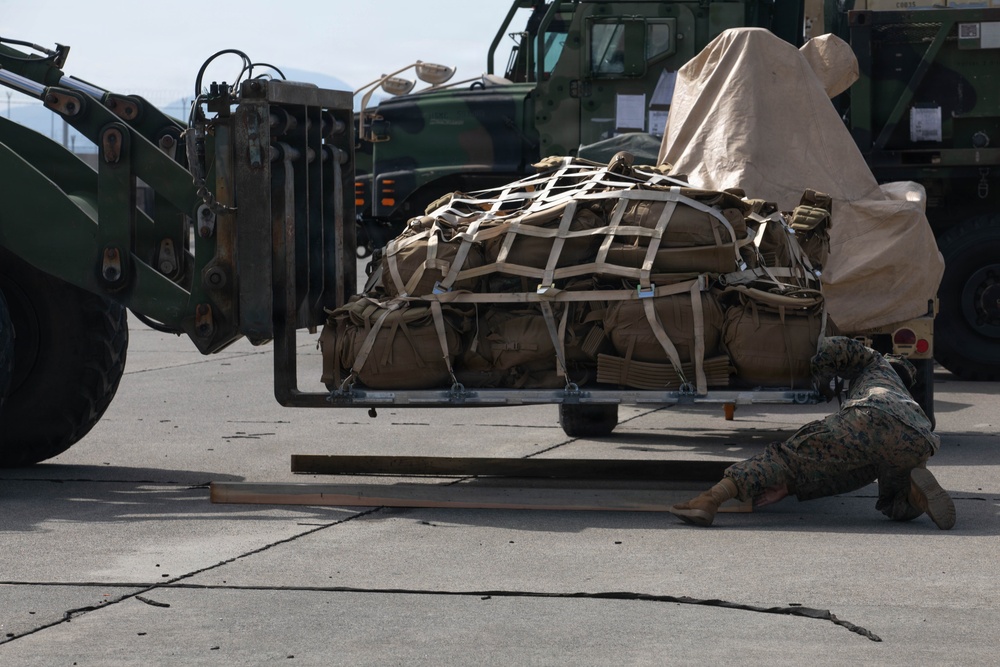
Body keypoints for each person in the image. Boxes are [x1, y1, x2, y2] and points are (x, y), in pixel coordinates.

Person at [669, 336, 955, 529]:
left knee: (785, 459)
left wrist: (822, 377)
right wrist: (793, 488)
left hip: (871, 414)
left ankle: (710, 500)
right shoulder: (905, 394)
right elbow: (852, 475)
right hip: (919, 437)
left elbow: (832, 346)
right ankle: (915, 494)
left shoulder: (876, 363)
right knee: (895, 505)